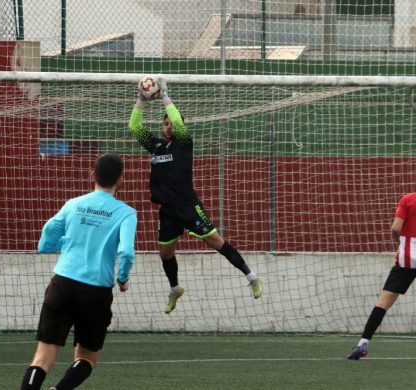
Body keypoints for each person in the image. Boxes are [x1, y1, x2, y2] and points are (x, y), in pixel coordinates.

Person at [128, 78, 262, 315]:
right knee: (165, 252)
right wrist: (141, 99)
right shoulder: (156, 146)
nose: (169, 126)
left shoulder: (184, 142)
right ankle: (174, 289)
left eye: (172, 123)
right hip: (167, 210)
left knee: (215, 242)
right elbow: (134, 127)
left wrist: (166, 96)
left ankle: (251, 276)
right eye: (165, 123)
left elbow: (178, 121)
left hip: (188, 205)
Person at [20, 153, 137, 390]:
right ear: (120, 179)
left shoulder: (74, 203)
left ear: (92, 175)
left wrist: (58, 245)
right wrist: (123, 279)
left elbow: (48, 233)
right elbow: (126, 252)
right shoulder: (126, 212)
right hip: (95, 292)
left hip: (62, 284)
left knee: (42, 357)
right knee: (86, 358)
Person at [348, 192, 416, 360]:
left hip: (407, 258)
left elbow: (395, 228)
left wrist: (399, 242)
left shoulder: (408, 200)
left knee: (383, 303)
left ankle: (363, 343)